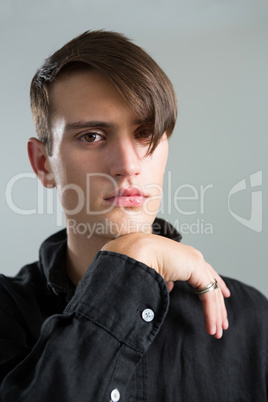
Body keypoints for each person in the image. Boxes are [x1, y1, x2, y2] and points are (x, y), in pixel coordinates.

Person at [0, 30, 267, 402]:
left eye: (145, 134)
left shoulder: (253, 318)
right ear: (43, 164)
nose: (127, 166)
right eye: (92, 136)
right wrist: (132, 261)